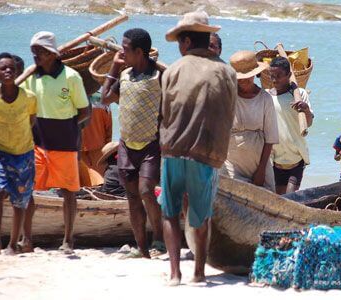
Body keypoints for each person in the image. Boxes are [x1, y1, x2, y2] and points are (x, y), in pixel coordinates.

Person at [160, 11, 236, 285]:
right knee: (201, 216)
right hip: (206, 154)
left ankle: (174, 273)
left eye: (180, 41)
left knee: (169, 212)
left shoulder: (172, 70)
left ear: (187, 41)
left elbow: (165, 113)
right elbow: (228, 114)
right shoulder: (226, 72)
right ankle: (200, 274)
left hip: (172, 150)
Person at [22, 31, 90, 254]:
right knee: (27, 189)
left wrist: (67, 126)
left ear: (52, 54)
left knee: (68, 191)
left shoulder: (71, 77)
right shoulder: (30, 77)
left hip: (65, 143)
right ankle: (26, 239)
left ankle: (68, 241)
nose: (35, 57)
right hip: (38, 142)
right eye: (33, 53)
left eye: (39, 52)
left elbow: (84, 111)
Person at [101, 28, 164, 258]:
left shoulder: (159, 76)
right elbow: (105, 97)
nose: (121, 52)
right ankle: (142, 248)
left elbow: (171, 108)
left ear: (140, 52)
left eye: (125, 49)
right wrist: (115, 67)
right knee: (132, 198)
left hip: (151, 145)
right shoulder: (125, 75)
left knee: (147, 191)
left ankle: (158, 240)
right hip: (126, 146)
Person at [0, 53, 37, 256]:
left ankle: (13, 244)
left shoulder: (29, 97)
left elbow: (31, 121)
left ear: (16, 72)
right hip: (0, 152)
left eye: (11, 68)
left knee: (19, 201)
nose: (7, 71)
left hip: (24, 154)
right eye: (2, 68)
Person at [221, 50, 278, 191]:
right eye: (240, 78)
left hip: (259, 164)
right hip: (232, 165)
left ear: (255, 74)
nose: (244, 81)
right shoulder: (227, 97)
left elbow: (270, 138)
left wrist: (261, 170)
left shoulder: (265, 99)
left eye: (248, 77)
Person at [268, 57, 313, 194]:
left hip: (297, 158)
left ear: (289, 75)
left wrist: (305, 109)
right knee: (278, 200)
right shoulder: (267, 96)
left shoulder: (300, 95)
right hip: (275, 159)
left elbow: (308, 123)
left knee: (290, 197)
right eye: (272, 76)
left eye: (279, 76)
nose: (275, 80)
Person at [80, 93, 112, 175]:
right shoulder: (103, 99)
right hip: (99, 148)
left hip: (76, 148)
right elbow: (108, 127)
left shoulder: (68, 96)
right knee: (100, 182)